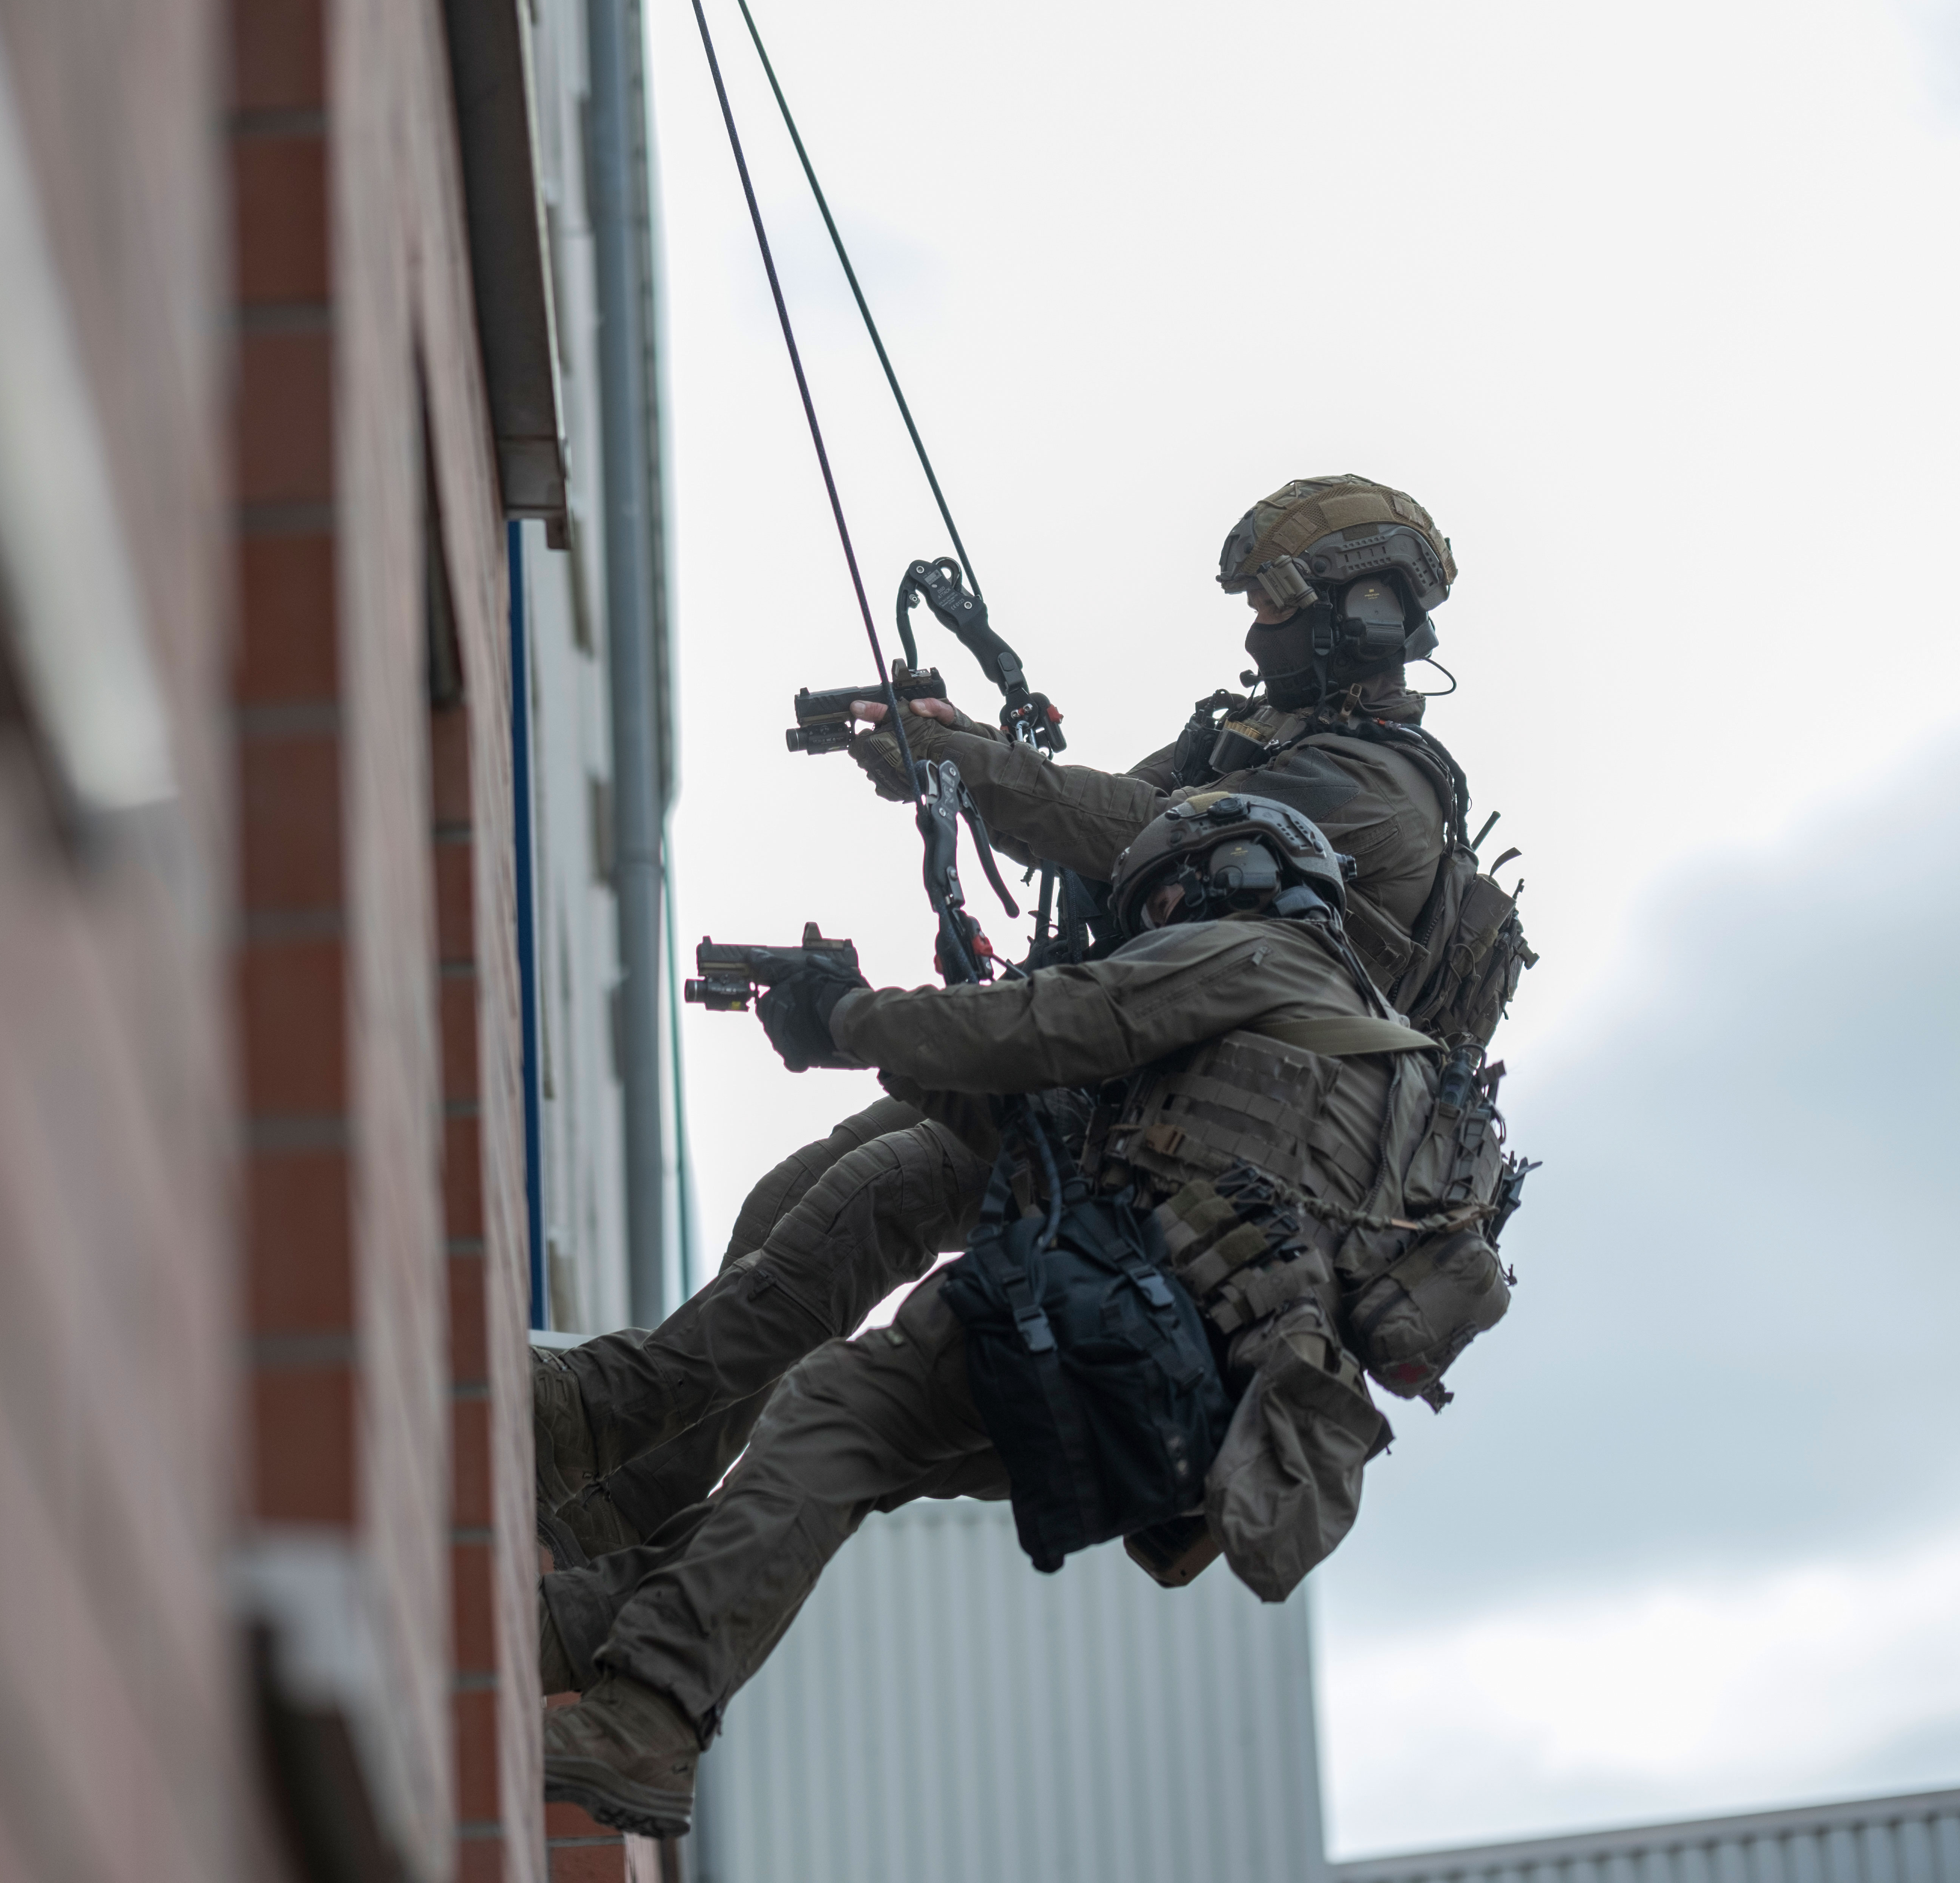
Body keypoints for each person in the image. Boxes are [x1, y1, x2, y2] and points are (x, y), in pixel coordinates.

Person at [534, 475, 1531, 1564]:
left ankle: (592, 1450)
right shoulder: (1266, 735)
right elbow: (1101, 818)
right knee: (801, 1198)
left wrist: (961, 764)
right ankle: (629, 1491)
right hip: (1120, 1086)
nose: (1260, 629)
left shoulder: (1376, 791)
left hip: (1174, 1147)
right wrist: (953, 746)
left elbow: (1138, 830)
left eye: (1279, 606)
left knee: (866, 1211)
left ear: (1363, 616)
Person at [541, 795, 1527, 1837]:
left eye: (1168, 896)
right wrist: (885, 1047)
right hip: (1197, 1416)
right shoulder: (1363, 1063)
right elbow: (1054, 1139)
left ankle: (646, 1718)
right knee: (840, 1467)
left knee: (835, 1416)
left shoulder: (1260, 958)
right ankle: (549, 1632)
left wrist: (851, 1016)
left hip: (1115, 1320)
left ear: (1240, 878)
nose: (1159, 924)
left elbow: (1061, 1021)